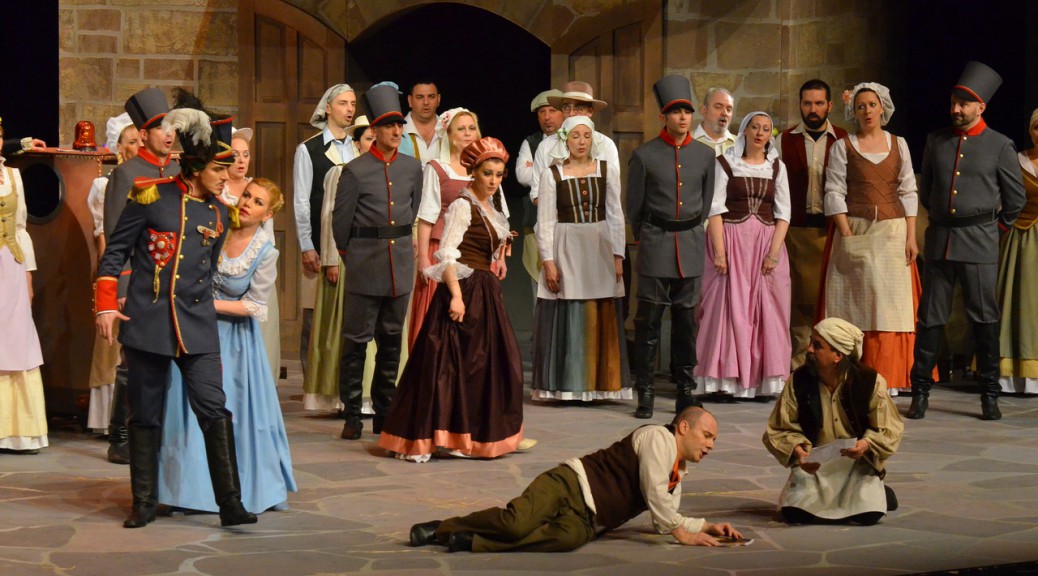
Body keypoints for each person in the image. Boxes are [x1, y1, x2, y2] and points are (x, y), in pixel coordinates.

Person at [94, 92, 256, 528]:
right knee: (145, 415)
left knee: (214, 409)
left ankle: (231, 503)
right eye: (219, 169)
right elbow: (114, 255)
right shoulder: (150, 196)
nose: (227, 176)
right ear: (196, 167)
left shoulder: (219, 214)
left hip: (197, 327)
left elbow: (208, 269)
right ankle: (144, 503)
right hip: (148, 324)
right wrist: (106, 306)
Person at [408, 406, 743, 552]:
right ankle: (441, 529)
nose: (710, 445)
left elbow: (665, 516)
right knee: (516, 523)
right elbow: (656, 497)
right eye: (707, 436)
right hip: (569, 485)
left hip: (589, 519)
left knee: (566, 540)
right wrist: (682, 533)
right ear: (683, 427)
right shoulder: (658, 438)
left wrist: (705, 525)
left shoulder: (676, 474)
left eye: (714, 440)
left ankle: (472, 542)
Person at [377, 137, 526, 461]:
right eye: (487, 173)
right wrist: (456, 297)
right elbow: (446, 253)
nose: (493, 180)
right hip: (464, 288)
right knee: (449, 366)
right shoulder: (462, 205)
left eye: (498, 174)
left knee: (486, 366)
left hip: (485, 291)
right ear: (474, 172)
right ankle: (433, 436)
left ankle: (470, 434)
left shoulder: (489, 207)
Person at [159, 177, 297, 515]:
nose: (248, 203)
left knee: (234, 411)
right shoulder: (216, 228)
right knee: (186, 408)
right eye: (247, 195)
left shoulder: (266, 252)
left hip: (234, 341)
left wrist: (205, 305)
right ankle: (186, 491)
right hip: (194, 330)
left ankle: (242, 488)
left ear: (268, 215)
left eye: (258, 202)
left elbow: (254, 306)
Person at [909, 61, 1026, 421]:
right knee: (930, 317)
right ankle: (920, 392)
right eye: (953, 102)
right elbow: (927, 191)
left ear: (981, 107)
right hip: (941, 238)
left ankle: (989, 395)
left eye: (964, 104)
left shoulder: (1000, 145)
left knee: (983, 318)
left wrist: (994, 230)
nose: (956, 109)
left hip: (979, 241)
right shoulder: (936, 140)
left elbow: (1015, 199)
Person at [331, 83, 423, 440]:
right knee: (356, 341)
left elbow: (412, 209)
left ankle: (385, 412)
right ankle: (353, 413)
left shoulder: (412, 168)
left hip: (399, 264)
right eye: (389, 126)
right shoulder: (356, 170)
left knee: (391, 340)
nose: (396, 132)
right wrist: (351, 257)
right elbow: (341, 224)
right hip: (365, 264)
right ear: (375, 129)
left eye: (400, 125)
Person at [819, 83, 920, 395]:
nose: (867, 111)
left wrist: (911, 236)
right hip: (857, 228)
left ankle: (889, 374)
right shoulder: (843, 147)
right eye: (860, 106)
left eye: (872, 105)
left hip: (893, 232)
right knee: (856, 303)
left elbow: (908, 189)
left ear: (882, 107)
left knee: (890, 307)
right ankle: (853, 374)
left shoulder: (899, 144)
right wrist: (847, 234)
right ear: (853, 112)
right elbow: (834, 190)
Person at [627, 75, 715, 418]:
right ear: (663, 116)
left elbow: (705, 204)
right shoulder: (644, 155)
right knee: (648, 322)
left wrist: (688, 231)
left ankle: (685, 389)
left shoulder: (705, 155)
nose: (682, 117)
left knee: (686, 324)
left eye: (687, 111)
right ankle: (646, 391)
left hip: (689, 246)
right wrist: (651, 236)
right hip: (655, 245)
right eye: (676, 112)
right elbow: (634, 207)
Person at [101, 87, 180, 465]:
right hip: (139, 283)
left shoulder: (179, 172)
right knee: (132, 360)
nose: (169, 134)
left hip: (174, 284)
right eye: (161, 128)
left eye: (172, 127)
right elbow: (116, 236)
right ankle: (120, 435)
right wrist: (122, 285)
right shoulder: (127, 174)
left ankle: (160, 432)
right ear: (144, 134)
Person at [764, 318, 903, 525]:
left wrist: (865, 444)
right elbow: (779, 427)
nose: (809, 349)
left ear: (838, 355)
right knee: (793, 514)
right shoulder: (799, 380)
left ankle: (877, 491)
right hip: (816, 464)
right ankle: (867, 495)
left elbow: (889, 428)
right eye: (811, 342)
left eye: (818, 345)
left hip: (856, 465)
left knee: (868, 516)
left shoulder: (869, 382)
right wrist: (799, 451)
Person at [694, 111, 792, 399]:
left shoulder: (777, 167)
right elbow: (714, 209)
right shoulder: (725, 163)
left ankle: (763, 381)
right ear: (745, 131)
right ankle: (723, 380)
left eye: (766, 129)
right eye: (755, 127)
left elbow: (784, 213)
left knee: (768, 310)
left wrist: (774, 253)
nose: (760, 133)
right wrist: (720, 252)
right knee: (725, 309)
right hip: (731, 241)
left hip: (765, 244)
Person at [531, 115, 630, 401]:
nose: (582, 142)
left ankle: (600, 385)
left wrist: (618, 256)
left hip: (599, 246)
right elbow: (545, 221)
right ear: (566, 140)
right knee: (570, 309)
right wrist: (548, 261)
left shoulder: (606, 170)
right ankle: (569, 385)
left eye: (586, 136)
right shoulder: (552, 174)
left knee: (600, 309)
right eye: (575, 136)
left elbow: (615, 214)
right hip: (567, 246)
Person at [305, 115, 380, 412]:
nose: (374, 143)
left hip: (376, 262)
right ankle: (342, 396)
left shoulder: (388, 172)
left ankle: (371, 395)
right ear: (357, 144)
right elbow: (330, 217)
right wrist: (331, 260)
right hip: (347, 259)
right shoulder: (342, 172)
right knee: (343, 327)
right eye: (369, 139)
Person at [776, 80, 849, 370]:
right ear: (800, 105)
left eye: (819, 103)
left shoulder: (843, 139)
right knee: (796, 299)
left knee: (829, 297)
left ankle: (829, 362)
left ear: (830, 105)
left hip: (830, 231)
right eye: (807, 103)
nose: (813, 109)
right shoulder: (784, 140)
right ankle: (798, 363)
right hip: (796, 231)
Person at [293, 83, 357, 381]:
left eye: (353, 104)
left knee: (347, 315)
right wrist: (307, 245)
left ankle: (343, 382)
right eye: (343, 103)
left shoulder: (358, 148)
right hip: (319, 244)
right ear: (328, 108)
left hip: (352, 247)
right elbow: (301, 200)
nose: (349, 109)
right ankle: (313, 381)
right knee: (314, 315)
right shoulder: (309, 149)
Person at [411, 108, 484, 352]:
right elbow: (426, 217)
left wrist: (500, 256)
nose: (468, 133)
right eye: (461, 129)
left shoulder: (485, 169)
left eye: (471, 128)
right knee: (439, 314)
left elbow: (496, 215)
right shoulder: (438, 168)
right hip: (441, 249)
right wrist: (423, 259)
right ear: (449, 135)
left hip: (476, 252)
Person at [85, 113, 139, 435]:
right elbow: (105, 237)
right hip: (117, 271)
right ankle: (109, 420)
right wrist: (116, 280)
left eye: (140, 141)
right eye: (131, 142)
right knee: (111, 345)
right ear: (118, 147)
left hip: (138, 272)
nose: (137, 147)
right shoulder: (106, 184)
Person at [220, 127, 281, 386]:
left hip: (252, 270)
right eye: (235, 155)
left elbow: (268, 238)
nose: (242, 160)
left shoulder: (258, 189)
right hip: (222, 271)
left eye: (246, 154)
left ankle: (257, 384)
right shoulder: (218, 189)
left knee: (259, 337)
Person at [0, 118, 47, 454]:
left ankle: (20, 431)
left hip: (11, 266)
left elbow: (20, 228)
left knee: (17, 341)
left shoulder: (13, 176)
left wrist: (28, 276)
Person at [997, 108, 1038, 394]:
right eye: (1036, 127)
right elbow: (1003, 196)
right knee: (1017, 299)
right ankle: (1013, 374)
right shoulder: (1017, 160)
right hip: (1020, 238)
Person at [528, 81, 620, 204]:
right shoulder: (546, 146)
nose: (571, 113)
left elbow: (613, 194)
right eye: (566, 107)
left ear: (590, 111)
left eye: (578, 107)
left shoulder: (606, 145)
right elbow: (536, 194)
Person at [516, 89, 564, 301]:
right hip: (536, 223)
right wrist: (555, 170)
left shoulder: (574, 139)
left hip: (567, 224)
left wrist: (537, 168)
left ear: (563, 113)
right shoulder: (531, 142)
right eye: (542, 112)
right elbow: (521, 175)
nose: (547, 117)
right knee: (540, 283)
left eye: (552, 110)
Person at [398, 81, 441, 164]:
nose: (426, 102)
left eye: (431, 97)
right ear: (410, 101)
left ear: (438, 99)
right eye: (420, 97)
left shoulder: (450, 130)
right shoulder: (397, 131)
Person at [693, 88, 737, 156]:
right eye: (718, 107)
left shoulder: (741, 144)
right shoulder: (686, 141)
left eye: (728, 109)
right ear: (704, 110)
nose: (724, 113)